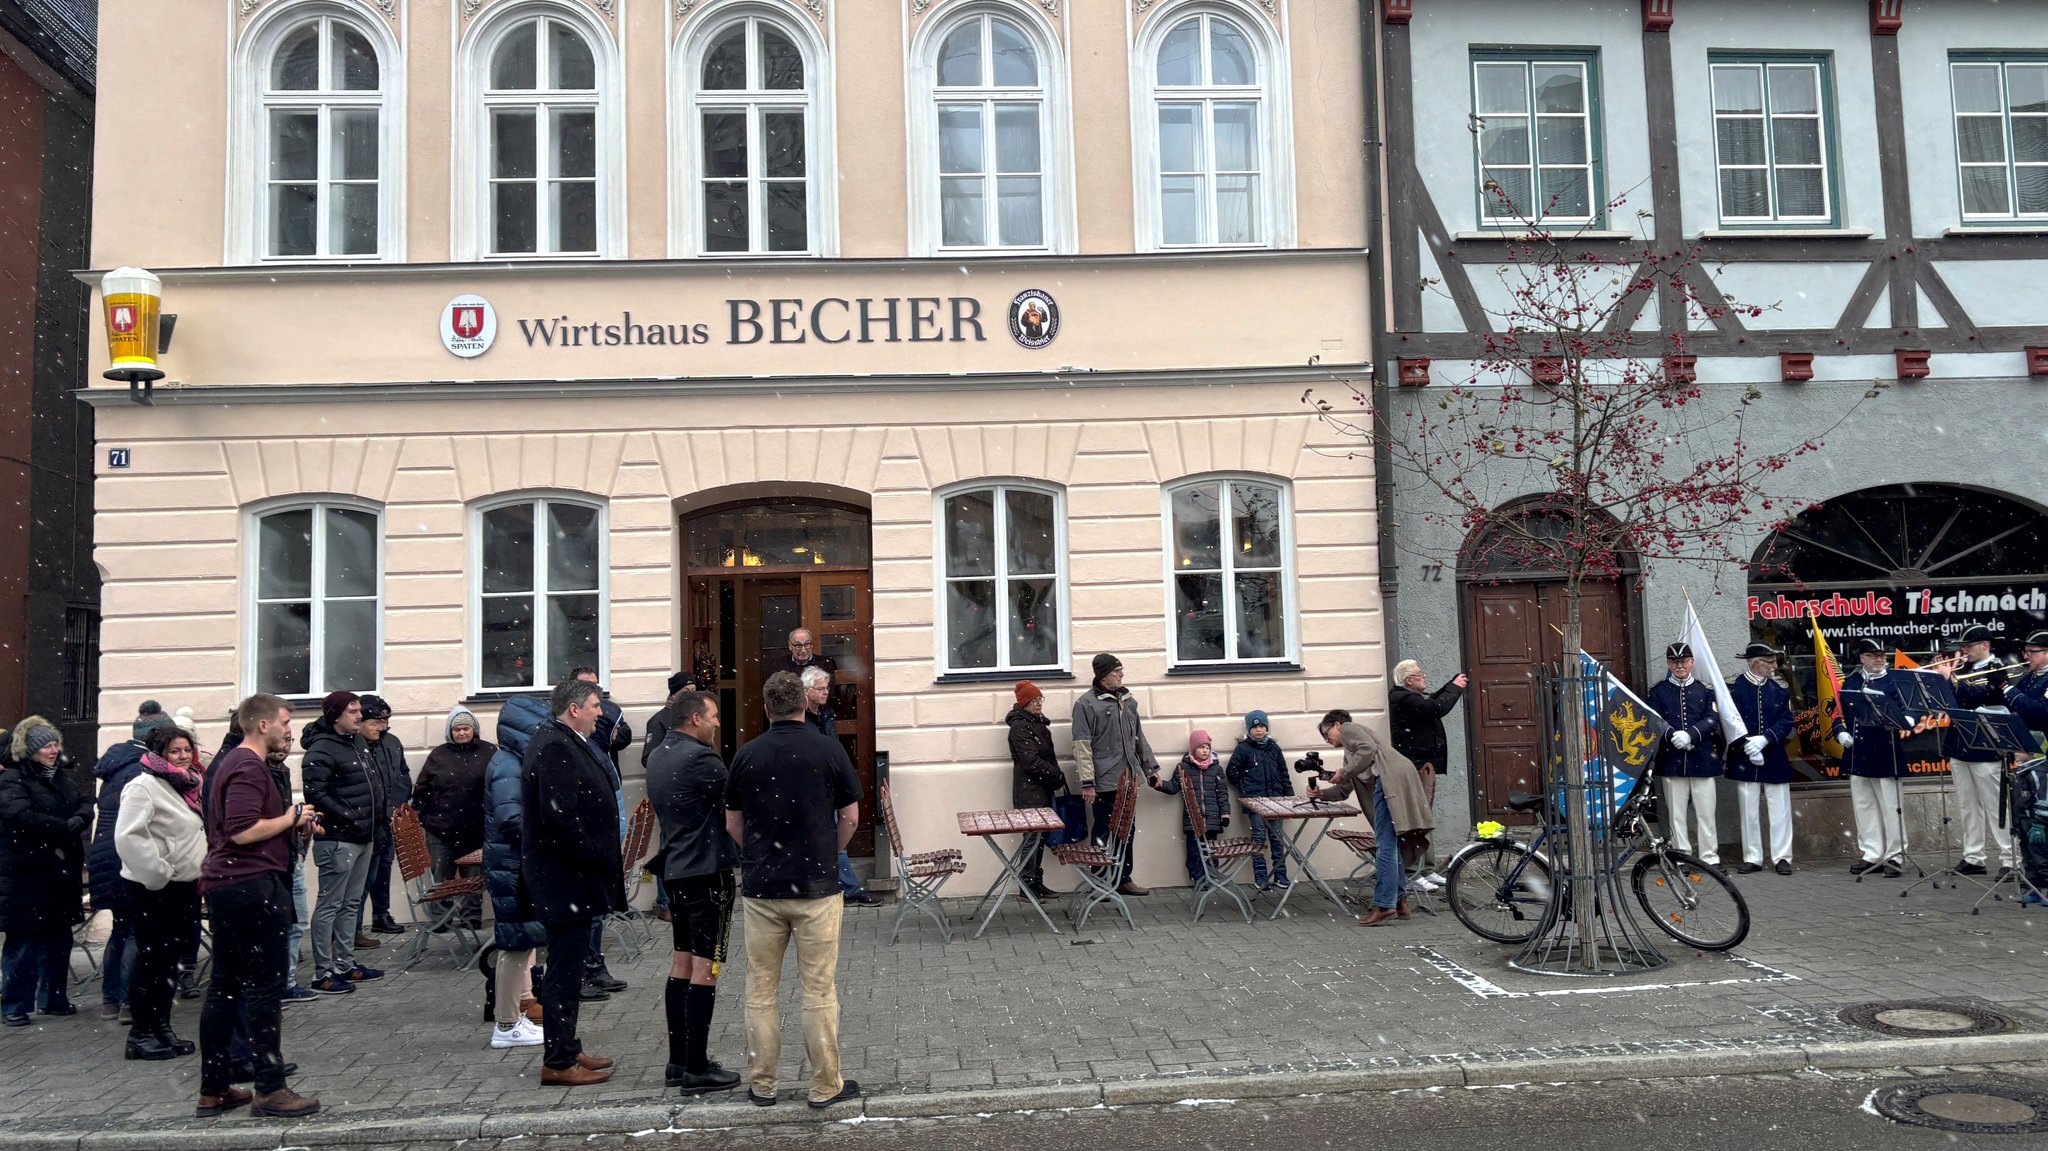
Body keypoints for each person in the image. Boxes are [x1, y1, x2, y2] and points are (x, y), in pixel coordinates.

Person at [724, 670, 863, 1110]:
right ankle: (825, 1085)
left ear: (766, 708)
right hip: (817, 887)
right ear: (805, 703)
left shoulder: (747, 755)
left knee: (761, 989)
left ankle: (763, 1083)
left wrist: (761, 856)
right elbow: (852, 818)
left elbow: (733, 822)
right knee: (818, 990)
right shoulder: (828, 749)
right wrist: (826, 852)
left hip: (763, 889)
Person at [197, 694, 319, 1119]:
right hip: (251, 886)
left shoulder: (231, 763)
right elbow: (243, 830)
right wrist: (290, 817)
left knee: (225, 986)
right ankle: (269, 1089)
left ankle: (214, 1090)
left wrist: (294, 822)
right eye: (285, 721)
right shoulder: (248, 765)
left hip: (230, 885)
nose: (290, 729)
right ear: (262, 724)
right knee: (263, 988)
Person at [521, 677, 626, 1086]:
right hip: (565, 880)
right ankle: (559, 1061)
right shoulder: (555, 747)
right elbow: (559, 820)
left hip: (573, 878)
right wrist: (595, 854)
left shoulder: (566, 740)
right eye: (596, 706)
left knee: (570, 967)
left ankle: (567, 1045)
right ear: (574, 709)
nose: (601, 713)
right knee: (564, 971)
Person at [646, 690, 743, 1095]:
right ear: (695, 720)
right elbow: (736, 800)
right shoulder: (701, 759)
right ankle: (698, 1068)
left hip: (677, 872)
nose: (718, 722)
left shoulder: (659, 755)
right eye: (714, 716)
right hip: (706, 873)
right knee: (708, 967)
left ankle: (679, 1060)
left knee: (682, 963)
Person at [114, 725, 207, 1060]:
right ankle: (141, 1034)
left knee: (170, 963)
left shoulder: (188, 785)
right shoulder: (143, 786)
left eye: (186, 750)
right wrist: (159, 873)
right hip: (152, 888)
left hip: (184, 887)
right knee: (151, 961)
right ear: (159, 754)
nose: (182, 757)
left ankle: (161, 1027)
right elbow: (128, 837)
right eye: (174, 751)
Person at [87, 701, 179, 1022]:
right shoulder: (142, 770)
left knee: (121, 928)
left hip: (105, 856)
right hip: (129, 857)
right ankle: (129, 1003)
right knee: (135, 932)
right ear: (156, 737)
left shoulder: (117, 765)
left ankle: (111, 1000)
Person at [0, 718, 91, 1026]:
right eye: (46, 746)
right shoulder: (13, 779)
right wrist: (62, 827)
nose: (53, 751)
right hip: (27, 872)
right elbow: (19, 815)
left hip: (59, 872)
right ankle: (15, 1004)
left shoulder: (60, 777)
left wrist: (81, 817)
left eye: (55, 745)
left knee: (58, 937)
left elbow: (83, 801)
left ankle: (53, 998)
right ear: (31, 751)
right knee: (23, 941)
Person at [1312, 711, 1434, 927]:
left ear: (1337, 725)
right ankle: (1399, 901)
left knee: (1385, 846)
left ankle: (1384, 905)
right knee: (1390, 845)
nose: (1327, 740)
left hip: (1388, 783)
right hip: (1394, 780)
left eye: (1327, 733)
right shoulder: (1351, 754)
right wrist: (1320, 794)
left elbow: (1367, 750)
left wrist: (1345, 771)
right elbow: (1344, 789)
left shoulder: (1349, 729)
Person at [301, 691, 382, 994]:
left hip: (364, 835)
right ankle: (322, 972)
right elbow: (316, 793)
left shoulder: (356, 742)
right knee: (330, 904)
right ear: (336, 715)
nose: (359, 716)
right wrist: (349, 815)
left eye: (359, 710)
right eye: (352, 711)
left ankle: (346, 964)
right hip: (338, 839)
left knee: (350, 904)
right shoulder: (321, 749)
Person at [482, 695, 551, 1050]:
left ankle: (519, 1008)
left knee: (523, 939)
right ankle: (506, 1024)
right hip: (512, 864)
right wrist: (545, 835)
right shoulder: (509, 764)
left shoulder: (511, 759)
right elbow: (512, 819)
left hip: (514, 862)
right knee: (513, 944)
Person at [1071, 653, 1158, 896]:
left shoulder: (1129, 701)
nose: (1121, 675)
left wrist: (1151, 769)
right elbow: (1082, 745)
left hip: (1129, 779)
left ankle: (1123, 878)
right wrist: (1087, 783)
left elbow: (1138, 737)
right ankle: (1099, 882)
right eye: (1115, 671)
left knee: (1127, 830)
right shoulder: (1086, 704)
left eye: (1122, 670)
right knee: (1103, 830)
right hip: (1103, 782)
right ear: (1102, 675)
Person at [570, 668, 631, 999]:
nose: (600, 710)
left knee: (594, 908)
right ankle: (583, 971)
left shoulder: (593, 747)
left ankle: (593, 965)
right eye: (593, 702)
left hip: (600, 839)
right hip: (586, 846)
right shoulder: (570, 746)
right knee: (587, 908)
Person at [1834, 637, 1913, 877]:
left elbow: (1912, 708)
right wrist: (1840, 732)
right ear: (1862, 658)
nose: (1879, 659)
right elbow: (1838, 712)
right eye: (1873, 655)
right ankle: (1871, 853)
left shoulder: (1896, 680)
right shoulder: (1852, 681)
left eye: (1882, 655)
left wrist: (1907, 720)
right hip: (1859, 751)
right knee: (1864, 806)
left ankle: (1896, 856)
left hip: (1885, 748)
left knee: (1891, 806)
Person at [802, 666, 880, 907]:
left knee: (837, 835)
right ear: (806, 691)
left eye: (827, 688)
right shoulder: (801, 719)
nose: (826, 692)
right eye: (820, 689)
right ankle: (848, 889)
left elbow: (832, 747)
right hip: (813, 787)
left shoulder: (826, 714)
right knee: (834, 838)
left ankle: (842, 887)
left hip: (829, 784)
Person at [412, 707, 494, 928]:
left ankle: (471, 917)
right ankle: (441, 920)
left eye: (465, 728)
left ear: (474, 729)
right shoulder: (438, 755)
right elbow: (422, 788)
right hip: (441, 828)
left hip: (477, 827)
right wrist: (421, 814)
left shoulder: (489, 752)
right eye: (456, 729)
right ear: (450, 732)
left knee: (473, 877)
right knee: (441, 875)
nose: (461, 733)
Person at [1946, 625, 2017, 879]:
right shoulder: (1962, 671)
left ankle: (2011, 859)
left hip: (1987, 746)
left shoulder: (1997, 670)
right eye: (1962, 647)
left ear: (1984, 645)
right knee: (1968, 804)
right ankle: (1973, 856)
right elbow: (1952, 703)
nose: (1963, 651)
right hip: (1961, 744)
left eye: (1968, 646)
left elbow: (1983, 696)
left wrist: (1950, 680)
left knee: (1996, 805)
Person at [1388, 661, 1468, 881]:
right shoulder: (1405, 699)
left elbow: (1433, 702)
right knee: (1417, 817)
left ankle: (1426, 868)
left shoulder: (1408, 698)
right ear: (1408, 681)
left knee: (1425, 816)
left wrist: (1449, 685)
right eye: (1419, 674)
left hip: (1422, 764)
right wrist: (1455, 688)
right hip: (1417, 765)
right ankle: (1414, 871)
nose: (1424, 676)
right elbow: (1437, 708)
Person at [1723, 643, 1797, 875]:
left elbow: (1787, 720)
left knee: (1780, 808)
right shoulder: (1734, 690)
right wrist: (1746, 744)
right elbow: (1727, 721)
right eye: (1770, 662)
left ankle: (1782, 856)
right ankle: (1752, 857)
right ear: (1756, 664)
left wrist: (1765, 739)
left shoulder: (1779, 690)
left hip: (1773, 754)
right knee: (1748, 810)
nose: (1774, 667)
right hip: (1744, 756)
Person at [1648, 642, 1723, 866]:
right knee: (1676, 814)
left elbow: (1713, 719)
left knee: (1706, 813)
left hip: (1702, 759)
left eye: (1683, 661)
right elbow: (1654, 720)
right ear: (1669, 664)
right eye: (1674, 662)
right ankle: (1681, 857)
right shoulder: (1659, 692)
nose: (1679, 666)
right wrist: (1672, 735)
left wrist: (1691, 734)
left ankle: (1709, 858)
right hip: (1672, 760)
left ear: (1692, 663)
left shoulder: (1704, 690)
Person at [1005, 680, 1065, 899]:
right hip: (1029, 793)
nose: (1038, 703)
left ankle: (1035, 882)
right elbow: (1031, 762)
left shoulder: (1036, 723)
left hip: (1039, 789)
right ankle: (1028, 885)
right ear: (1024, 703)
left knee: (1038, 839)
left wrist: (1053, 776)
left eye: (1040, 699)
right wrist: (1056, 774)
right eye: (1033, 700)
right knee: (1032, 838)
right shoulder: (1021, 726)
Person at [358, 695, 409, 937]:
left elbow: (402, 777)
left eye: (385, 721)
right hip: (366, 822)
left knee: (384, 868)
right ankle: (355, 926)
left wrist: (395, 806)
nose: (383, 726)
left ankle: (381, 913)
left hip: (388, 818)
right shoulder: (355, 746)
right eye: (377, 722)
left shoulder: (392, 742)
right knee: (362, 876)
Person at [1149, 731, 1230, 883]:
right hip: (1193, 820)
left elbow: (1222, 794)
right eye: (1201, 747)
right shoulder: (1183, 768)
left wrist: (1225, 814)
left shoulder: (1216, 769)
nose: (1205, 750)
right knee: (1194, 851)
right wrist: (1159, 785)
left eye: (1207, 747)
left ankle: (1211, 878)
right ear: (1193, 749)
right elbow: (1174, 787)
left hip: (1212, 820)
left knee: (1211, 851)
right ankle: (1197, 879)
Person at [1225, 709, 1292, 891]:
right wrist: (1245, 789)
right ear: (1249, 729)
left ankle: (1280, 875)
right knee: (1258, 840)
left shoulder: (1274, 748)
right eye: (1255, 727)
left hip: (1276, 802)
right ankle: (1261, 877)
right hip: (1255, 804)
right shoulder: (1244, 749)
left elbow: (1283, 772)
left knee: (1277, 839)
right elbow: (1231, 772)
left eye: (1262, 726)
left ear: (1267, 728)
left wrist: (1288, 796)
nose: (1259, 730)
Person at [2007, 630, 2048, 741]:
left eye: (2031, 652)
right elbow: (2011, 706)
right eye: (2025, 652)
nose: (2025, 656)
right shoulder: (2028, 677)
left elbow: (2041, 710)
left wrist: (2007, 688)